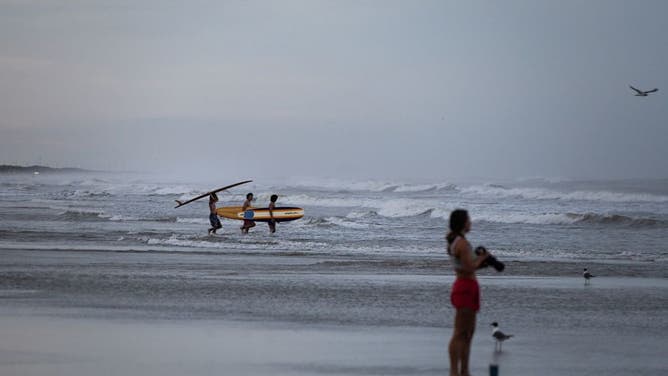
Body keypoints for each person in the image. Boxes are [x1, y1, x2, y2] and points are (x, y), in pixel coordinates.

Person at [446, 209, 489, 376]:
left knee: (469, 332)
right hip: (465, 287)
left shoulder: (457, 241)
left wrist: (479, 260)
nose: (471, 222)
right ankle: (454, 371)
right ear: (463, 223)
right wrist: (483, 258)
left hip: (467, 286)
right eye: (468, 219)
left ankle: (464, 370)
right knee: (460, 332)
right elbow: (468, 267)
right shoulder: (462, 244)